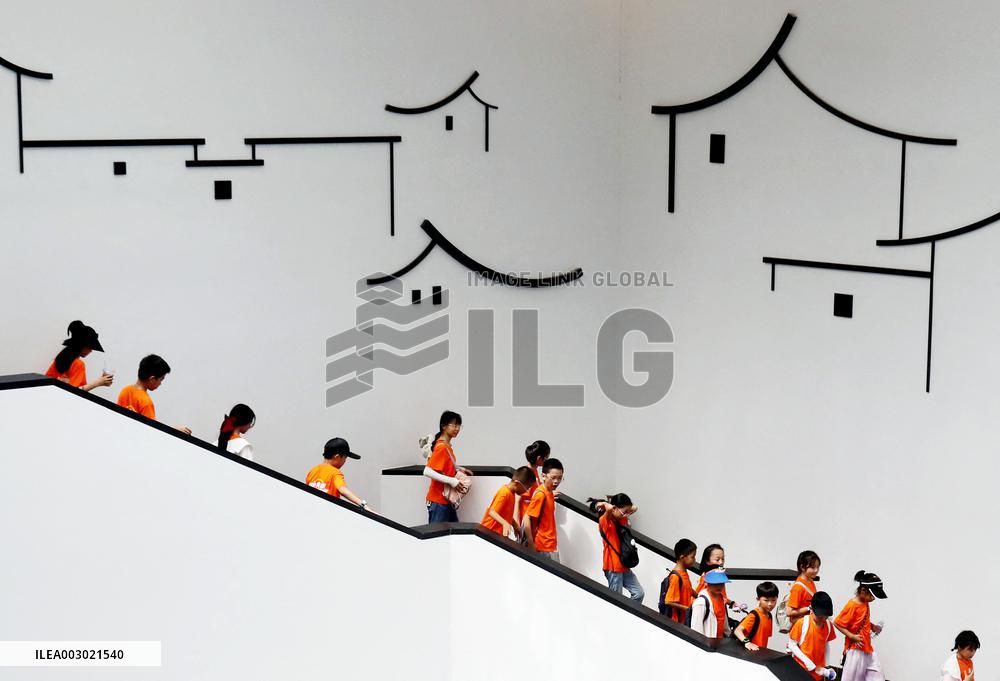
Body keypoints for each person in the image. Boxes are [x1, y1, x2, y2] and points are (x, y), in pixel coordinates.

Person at [117, 354, 191, 434]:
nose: (160, 383)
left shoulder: (125, 390)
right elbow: (152, 432)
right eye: (161, 379)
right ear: (152, 379)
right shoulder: (146, 402)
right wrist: (173, 430)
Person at [590, 493, 644, 602]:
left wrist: (621, 510)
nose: (626, 515)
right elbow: (609, 509)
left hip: (624, 565)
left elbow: (634, 508)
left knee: (639, 593)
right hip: (613, 568)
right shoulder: (604, 522)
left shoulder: (620, 519)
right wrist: (605, 504)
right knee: (615, 601)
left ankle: (629, 614)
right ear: (614, 509)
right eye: (624, 512)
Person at [835, 571, 887, 681]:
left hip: (867, 648)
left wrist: (872, 627)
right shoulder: (852, 605)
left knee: (878, 677)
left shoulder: (865, 603)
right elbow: (837, 623)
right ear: (863, 590)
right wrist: (852, 636)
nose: (873, 599)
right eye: (872, 595)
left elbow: (861, 620)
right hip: (855, 650)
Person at [422, 410, 472, 523]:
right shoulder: (442, 447)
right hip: (438, 501)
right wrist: (452, 481)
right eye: (454, 425)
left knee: (450, 535)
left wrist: (459, 469)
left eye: (459, 425)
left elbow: (444, 466)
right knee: (437, 538)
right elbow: (427, 471)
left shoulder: (446, 446)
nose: (457, 428)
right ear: (444, 426)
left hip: (445, 500)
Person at [306, 437, 374, 512]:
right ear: (337, 457)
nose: (345, 461)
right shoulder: (335, 473)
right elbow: (343, 490)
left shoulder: (312, 471)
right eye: (345, 458)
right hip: (328, 513)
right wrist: (363, 505)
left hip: (312, 511)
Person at [44, 320, 113, 392]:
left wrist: (101, 381)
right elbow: (75, 392)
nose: (91, 351)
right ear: (82, 346)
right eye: (90, 347)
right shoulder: (78, 364)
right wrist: (98, 382)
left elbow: (47, 382)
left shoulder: (59, 359)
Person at [788, 591, 838, 680]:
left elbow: (826, 644)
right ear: (812, 610)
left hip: (818, 672)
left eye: (825, 616)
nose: (823, 619)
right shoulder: (802, 623)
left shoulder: (829, 626)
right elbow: (792, 645)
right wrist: (807, 662)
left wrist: (826, 665)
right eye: (820, 616)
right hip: (801, 671)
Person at [521, 458, 563, 562]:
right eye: (553, 478)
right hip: (541, 546)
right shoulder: (540, 494)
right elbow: (527, 518)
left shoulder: (548, 492)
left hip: (549, 545)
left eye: (560, 478)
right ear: (543, 476)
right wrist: (531, 543)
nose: (556, 481)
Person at [481, 466, 535, 539]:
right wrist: (505, 523)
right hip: (489, 533)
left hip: (497, 534)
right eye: (527, 488)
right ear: (517, 483)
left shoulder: (512, 494)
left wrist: (514, 524)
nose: (527, 491)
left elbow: (505, 513)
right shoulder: (504, 493)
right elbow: (492, 512)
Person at [660, 538, 697, 623]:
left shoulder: (684, 571)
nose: (695, 560)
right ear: (682, 557)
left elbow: (686, 588)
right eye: (692, 556)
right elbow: (668, 601)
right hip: (677, 622)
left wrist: (699, 596)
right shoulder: (675, 577)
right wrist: (688, 609)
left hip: (685, 619)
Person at [734, 581, 778, 651]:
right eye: (766, 600)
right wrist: (747, 642)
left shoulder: (769, 615)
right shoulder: (754, 615)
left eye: (773, 600)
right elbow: (737, 631)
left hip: (760, 653)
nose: (770, 604)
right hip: (750, 653)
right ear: (758, 600)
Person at [690, 569, 731, 639]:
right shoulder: (701, 603)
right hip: (706, 645)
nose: (719, 586)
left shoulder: (721, 598)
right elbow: (696, 631)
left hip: (719, 642)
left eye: (722, 583)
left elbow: (723, 622)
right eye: (715, 583)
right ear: (707, 583)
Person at [787, 549, 821, 626]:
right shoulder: (798, 588)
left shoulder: (810, 581)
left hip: (808, 625)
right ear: (802, 567)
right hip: (800, 628)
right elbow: (789, 612)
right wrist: (809, 608)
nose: (816, 570)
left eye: (817, 567)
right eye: (812, 567)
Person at [519, 440, 551, 521]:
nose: (547, 460)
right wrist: (517, 521)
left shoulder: (534, 472)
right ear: (539, 458)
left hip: (530, 516)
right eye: (546, 457)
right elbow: (518, 498)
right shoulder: (527, 473)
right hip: (525, 517)